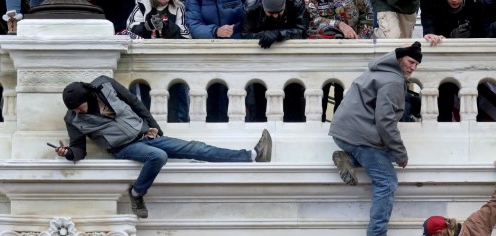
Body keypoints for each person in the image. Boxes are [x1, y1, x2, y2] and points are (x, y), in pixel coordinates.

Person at [57, 77, 272, 219]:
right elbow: (79, 149)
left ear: (87, 97)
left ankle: (251, 155)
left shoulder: (104, 85)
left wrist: (154, 127)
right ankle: (137, 192)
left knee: (197, 148)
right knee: (158, 156)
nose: (78, 110)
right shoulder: (74, 119)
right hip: (124, 148)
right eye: (74, 109)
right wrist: (68, 153)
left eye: (79, 106)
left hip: (147, 135)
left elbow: (134, 102)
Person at [329, 42, 422, 236]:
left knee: (381, 155)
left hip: (343, 133)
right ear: (399, 59)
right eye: (410, 62)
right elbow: (385, 122)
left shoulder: (378, 71)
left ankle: (348, 158)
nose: (413, 67)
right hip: (360, 136)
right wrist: (401, 154)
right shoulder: (393, 81)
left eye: (416, 64)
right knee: (387, 182)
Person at [242, 0, 309, 48]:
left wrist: (280, 34)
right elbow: (246, 35)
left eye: (279, 12)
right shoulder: (251, 8)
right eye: (271, 12)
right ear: (264, 7)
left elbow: (303, 31)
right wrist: (265, 35)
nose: (275, 16)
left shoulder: (296, 4)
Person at [306, 0, 373, 39]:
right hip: (325, 42)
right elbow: (315, 19)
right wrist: (339, 24)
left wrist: (362, 37)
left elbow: (366, 13)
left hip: (354, 40)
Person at [127, 0, 191, 39]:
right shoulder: (142, 4)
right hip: (145, 50)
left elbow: (186, 35)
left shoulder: (179, 6)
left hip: (170, 51)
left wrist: (167, 27)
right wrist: (147, 26)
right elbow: (129, 31)